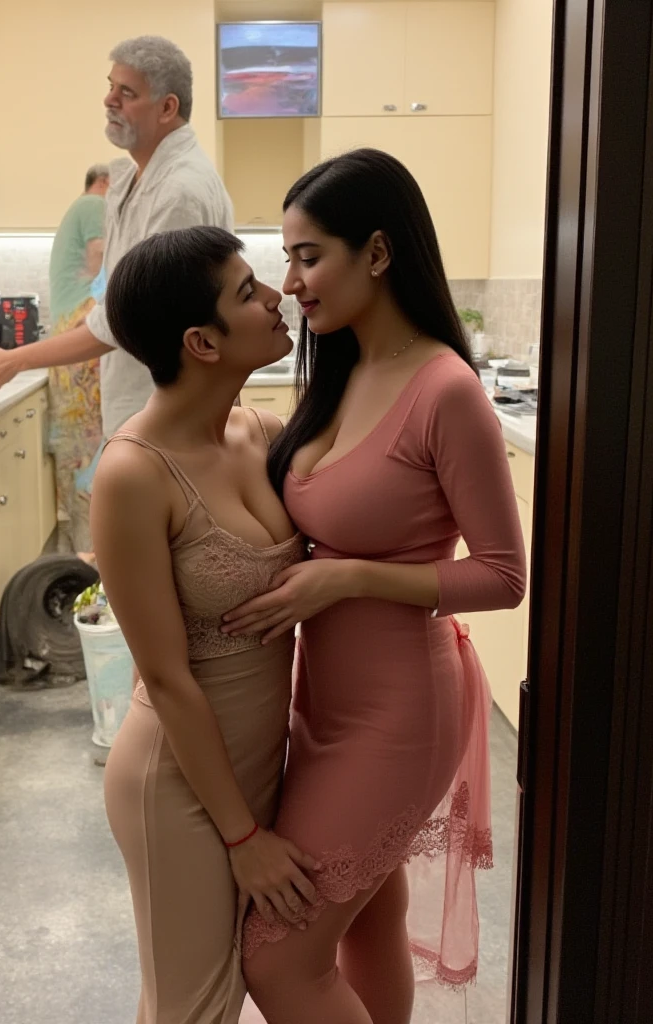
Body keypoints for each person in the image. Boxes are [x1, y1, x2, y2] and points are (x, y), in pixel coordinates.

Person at [220, 150, 527, 1023]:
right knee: (367, 922)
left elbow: (504, 577)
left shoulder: (446, 389)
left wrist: (347, 577)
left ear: (379, 254)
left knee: (277, 957)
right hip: (321, 703)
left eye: (308, 256)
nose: (291, 282)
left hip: (399, 713)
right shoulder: (341, 370)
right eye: (286, 259)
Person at [91, 226, 319, 1024]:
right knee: (193, 1011)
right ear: (201, 341)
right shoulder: (132, 474)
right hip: (180, 786)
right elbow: (166, 677)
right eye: (248, 290)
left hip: (261, 761)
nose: (276, 296)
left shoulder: (253, 430)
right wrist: (241, 836)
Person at [0, 35, 233, 443]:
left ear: (167, 107)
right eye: (110, 87)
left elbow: (125, 319)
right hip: (148, 412)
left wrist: (15, 360)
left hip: (168, 420)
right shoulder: (139, 182)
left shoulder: (178, 193)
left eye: (127, 92)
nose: (110, 100)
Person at [46, 163, 109, 551]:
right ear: (105, 183)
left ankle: (81, 560)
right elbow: (100, 257)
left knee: (79, 457)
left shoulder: (79, 208)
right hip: (81, 340)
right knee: (89, 461)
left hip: (72, 347)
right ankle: (91, 569)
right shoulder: (92, 204)